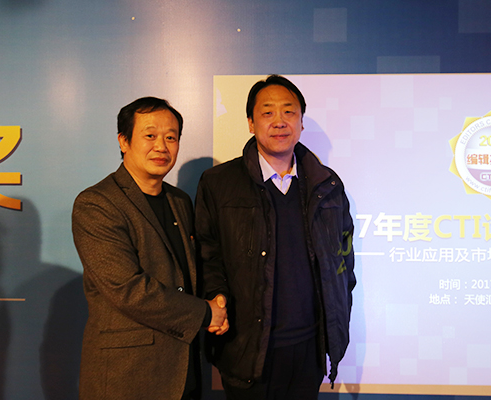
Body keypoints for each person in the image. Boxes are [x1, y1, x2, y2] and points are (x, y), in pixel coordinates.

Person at [195, 75, 356, 399]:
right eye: (267, 112)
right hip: (247, 349)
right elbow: (207, 256)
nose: (279, 121)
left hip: (309, 349)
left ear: (301, 122)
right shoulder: (219, 183)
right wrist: (217, 297)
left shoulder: (327, 185)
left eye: (289, 112)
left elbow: (343, 261)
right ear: (251, 123)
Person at [72, 97, 228, 400]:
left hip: (183, 371)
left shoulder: (179, 201)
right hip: (128, 376)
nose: (161, 146)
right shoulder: (97, 204)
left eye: (171, 137)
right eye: (150, 135)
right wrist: (205, 313)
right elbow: (127, 289)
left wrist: (218, 299)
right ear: (123, 141)